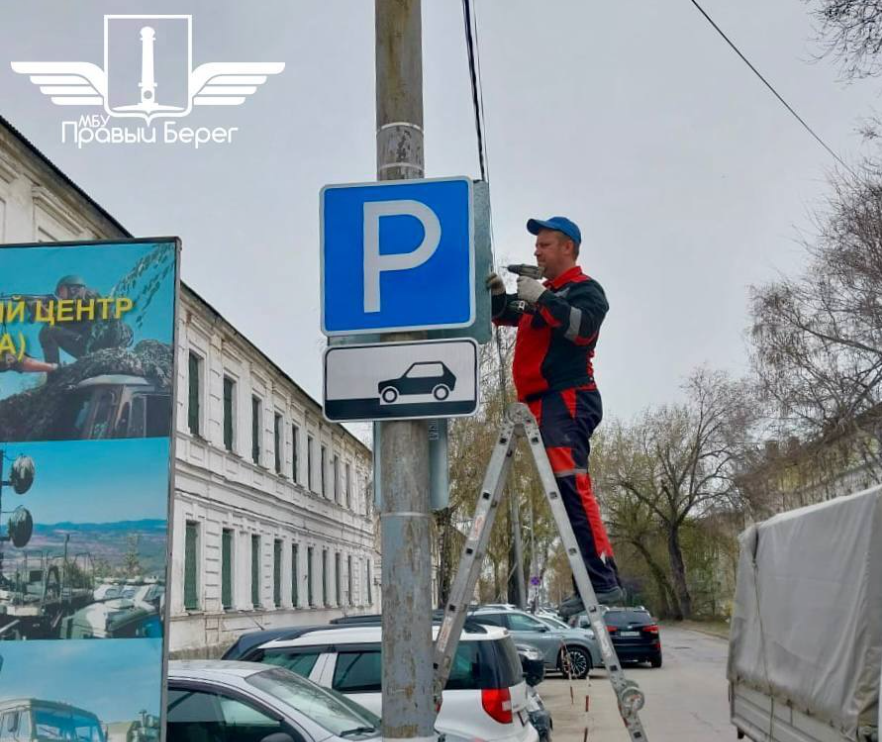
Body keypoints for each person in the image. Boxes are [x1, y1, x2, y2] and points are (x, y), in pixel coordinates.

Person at [487, 216, 623, 617]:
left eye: (544, 245)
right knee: (563, 494)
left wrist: (543, 298)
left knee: (572, 487)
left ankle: (602, 581)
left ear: (567, 247)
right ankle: (589, 583)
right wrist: (499, 296)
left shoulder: (585, 290)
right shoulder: (544, 295)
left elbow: (582, 330)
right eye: (536, 246)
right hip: (541, 403)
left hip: (568, 399)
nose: (536, 252)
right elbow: (506, 315)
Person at [38, 275, 132, 365]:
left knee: (47, 331)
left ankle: (54, 372)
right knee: (49, 329)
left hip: (99, 343)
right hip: (94, 344)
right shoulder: (75, 309)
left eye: (61, 291)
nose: (60, 296)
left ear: (72, 289)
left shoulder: (87, 295)